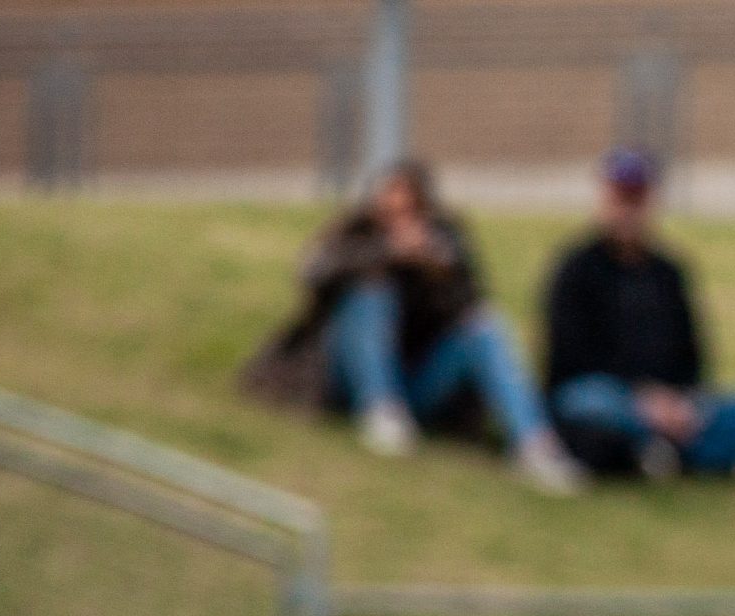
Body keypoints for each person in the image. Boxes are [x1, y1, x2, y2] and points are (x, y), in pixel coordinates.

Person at [244, 161, 583, 493]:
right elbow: (312, 274)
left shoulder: (445, 243)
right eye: (391, 209)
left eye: (410, 212)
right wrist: (385, 252)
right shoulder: (355, 234)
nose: (401, 223)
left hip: (418, 385)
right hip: (343, 379)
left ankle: (533, 443)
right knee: (372, 294)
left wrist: (438, 272)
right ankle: (380, 408)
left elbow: (471, 308)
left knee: (484, 324)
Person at [542, 150, 735, 480]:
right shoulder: (577, 268)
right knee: (588, 403)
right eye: (620, 198)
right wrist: (642, 398)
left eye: (636, 199)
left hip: (671, 402)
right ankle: (687, 456)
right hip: (610, 397)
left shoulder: (668, 272)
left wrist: (679, 402)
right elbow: (568, 358)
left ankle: (656, 454)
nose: (628, 210)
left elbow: (693, 352)